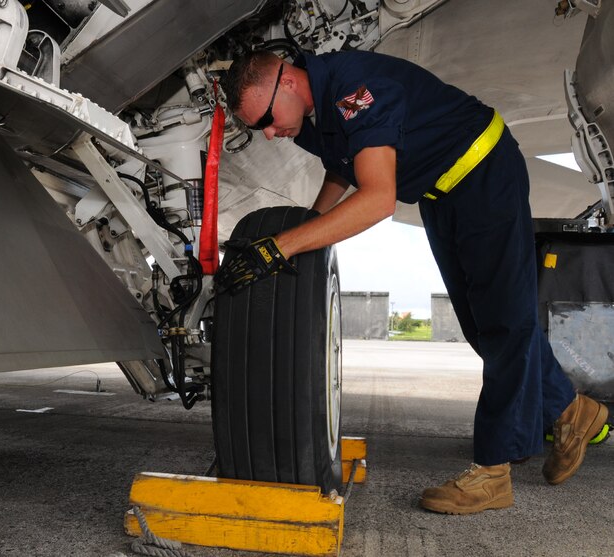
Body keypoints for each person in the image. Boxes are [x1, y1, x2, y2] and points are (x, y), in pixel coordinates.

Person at [216, 49, 609, 514]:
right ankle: (572, 411)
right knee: (483, 326)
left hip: (484, 174)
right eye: (256, 126)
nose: (269, 132)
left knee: (506, 323)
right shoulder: (308, 115)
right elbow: (344, 164)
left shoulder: (353, 89)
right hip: (439, 194)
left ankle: (493, 471)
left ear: (286, 82)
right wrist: (308, 231)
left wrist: (284, 245)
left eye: (265, 118)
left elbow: (379, 198)